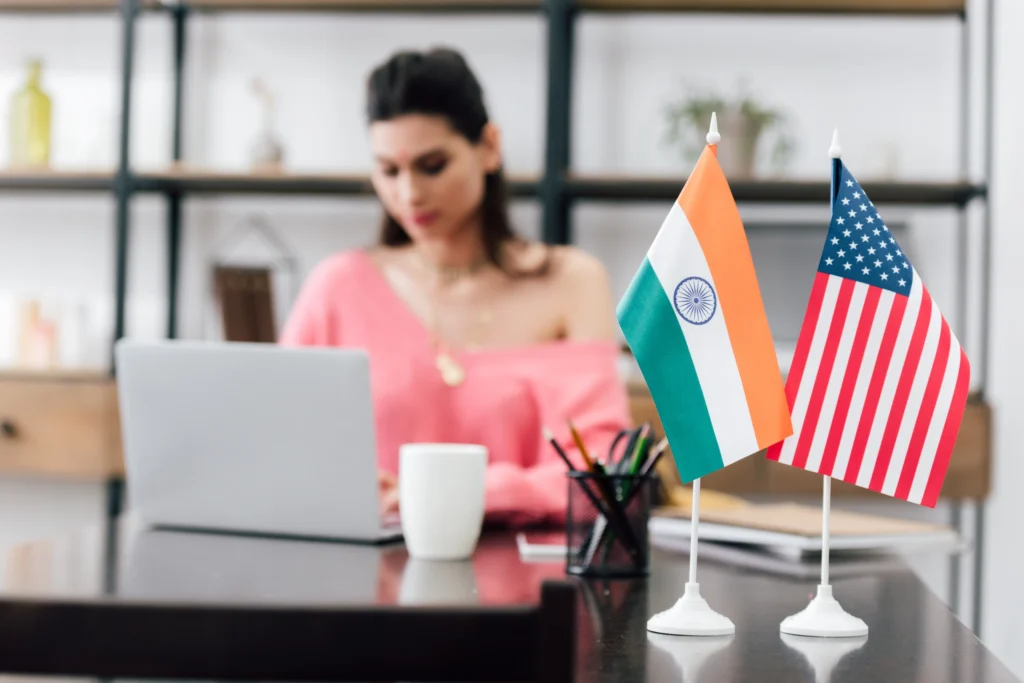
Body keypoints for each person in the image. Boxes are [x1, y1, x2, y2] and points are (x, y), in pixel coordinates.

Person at [279, 46, 632, 527]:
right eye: (389, 171)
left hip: (527, 582)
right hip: (369, 580)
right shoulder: (337, 286)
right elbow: (279, 454)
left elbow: (602, 479)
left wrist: (449, 492)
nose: (409, 194)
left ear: (489, 147)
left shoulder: (572, 282)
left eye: (432, 165)